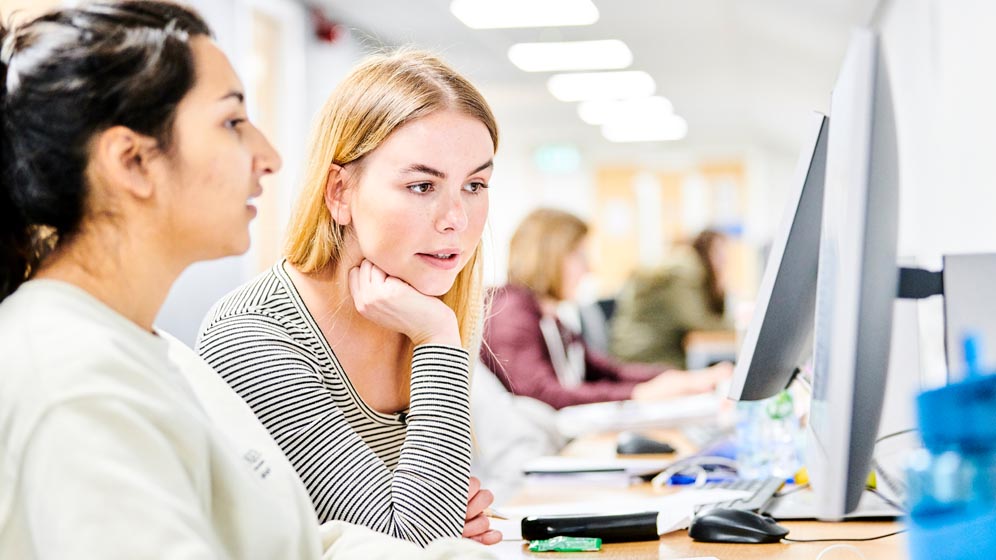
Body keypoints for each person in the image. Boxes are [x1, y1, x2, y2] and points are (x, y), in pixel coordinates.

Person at [0, 3, 489, 558]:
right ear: (132, 161)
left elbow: (285, 539)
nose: (270, 156)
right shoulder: (72, 381)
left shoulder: (157, 356)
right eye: (232, 122)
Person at [196, 49, 501, 547]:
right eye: (422, 185)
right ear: (339, 190)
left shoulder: (413, 306)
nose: (456, 219)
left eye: (475, 184)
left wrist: (433, 519)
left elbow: (424, 532)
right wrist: (439, 340)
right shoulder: (252, 334)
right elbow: (413, 544)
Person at [481, 208, 730, 410]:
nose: (589, 268)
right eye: (579, 255)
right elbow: (541, 394)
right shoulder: (510, 314)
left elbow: (606, 371)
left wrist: (678, 379)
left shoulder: (551, 318)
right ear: (550, 257)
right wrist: (638, 394)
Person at [610, 229, 733, 367]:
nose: (724, 261)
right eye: (719, 254)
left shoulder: (692, 272)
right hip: (645, 355)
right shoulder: (683, 273)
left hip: (651, 349)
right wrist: (740, 326)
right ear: (705, 251)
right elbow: (696, 322)